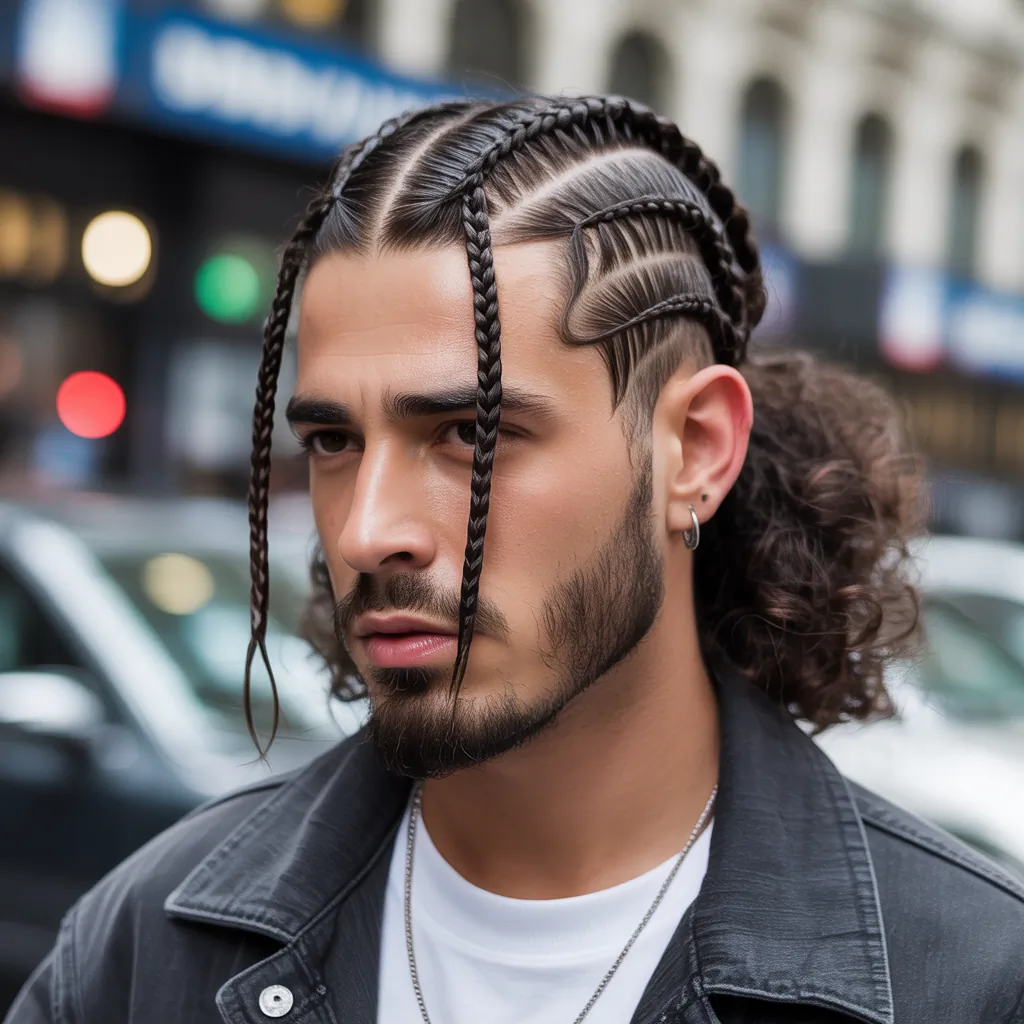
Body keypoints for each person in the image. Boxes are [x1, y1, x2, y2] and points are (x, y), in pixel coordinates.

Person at [7, 95, 1024, 1024]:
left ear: (695, 451)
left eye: (469, 435)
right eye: (331, 442)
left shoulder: (970, 982)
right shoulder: (146, 949)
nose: (366, 531)